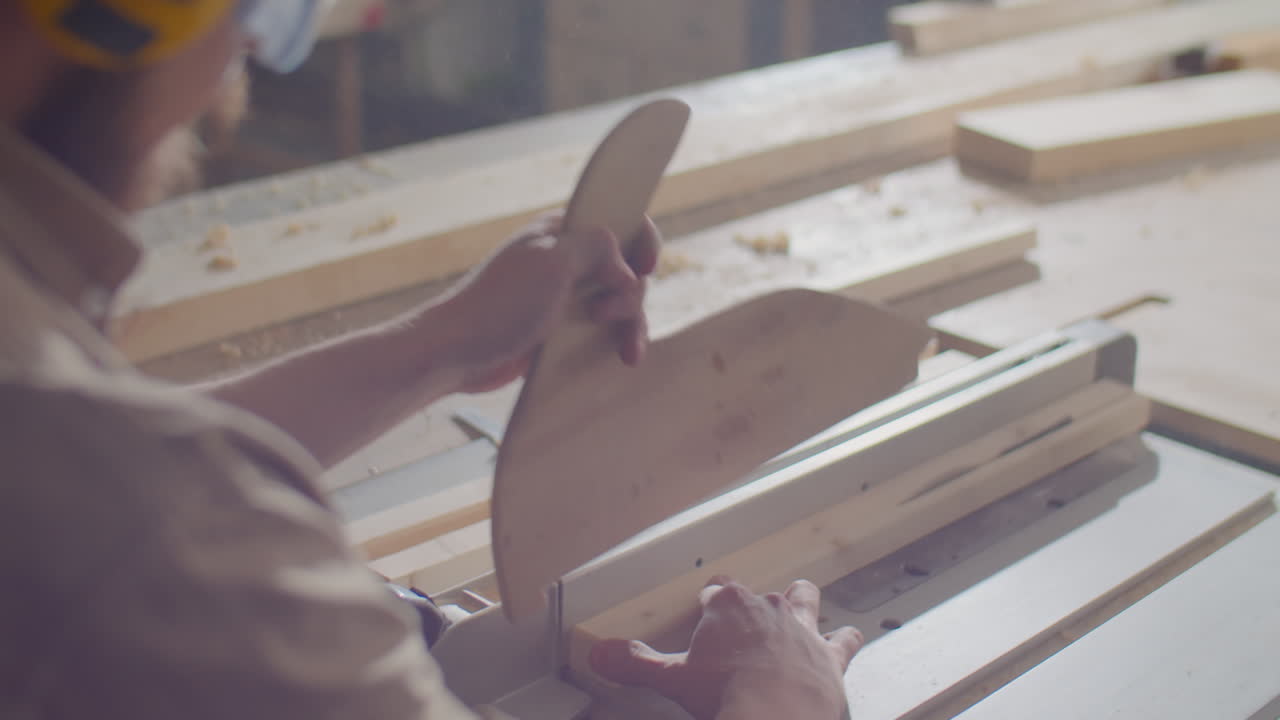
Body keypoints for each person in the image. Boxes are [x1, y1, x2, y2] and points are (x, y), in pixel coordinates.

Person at [0, 1, 864, 718]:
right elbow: (147, 507)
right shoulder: (172, 552)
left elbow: (116, 456)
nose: (249, 48)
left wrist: (443, 344)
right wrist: (785, 697)